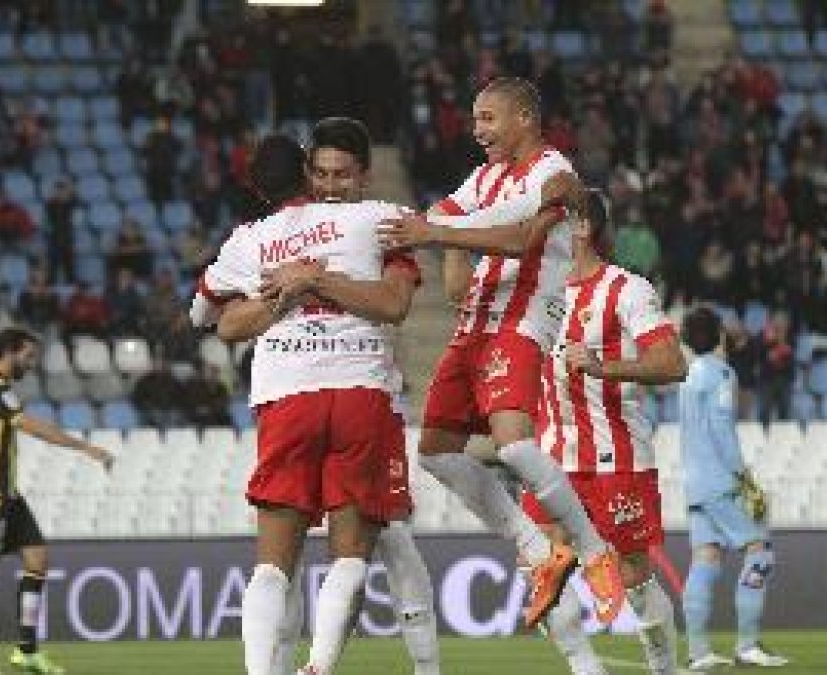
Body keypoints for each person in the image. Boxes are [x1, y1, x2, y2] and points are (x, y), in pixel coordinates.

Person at [379, 76, 626, 628]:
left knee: (514, 448)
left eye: (488, 118)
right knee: (436, 452)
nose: (478, 130)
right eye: (475, 118)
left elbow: (518, 240)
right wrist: (429, 233)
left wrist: (439, 235)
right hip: (473, 324)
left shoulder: (556, 174)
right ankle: (539, 551)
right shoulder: (486, 177)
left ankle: (593, 551)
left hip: (521, 320)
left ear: (524, 119)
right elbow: (441, 217)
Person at [190, 133, 417, 675]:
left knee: (272, 566)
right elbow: (418, 245)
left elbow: (205, 316)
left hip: (286, 391)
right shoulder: (372, 218)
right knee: (350, 554)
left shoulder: (247, 241)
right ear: (310, 173)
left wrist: (278, 292)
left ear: (254, 185)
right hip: (361, 387)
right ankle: (317, 668)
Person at [529, 190, 686, 675]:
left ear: (580, 227)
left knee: (634, 576)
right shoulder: (534, 294)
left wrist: (602, 366)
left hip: (616, 458)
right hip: (551, 458)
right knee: (544, 571)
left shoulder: (627, 289)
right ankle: (585, 668)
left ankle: (663, 668)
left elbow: (671, 364)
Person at [0, 328, 113, 675]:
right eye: (28, 356)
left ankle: (26, 650)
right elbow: (34, 428)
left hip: (7, 494)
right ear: (9, 351)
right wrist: (85, 448)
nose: (31, 363)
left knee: (37, 557)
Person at [678, 308, 788, 670]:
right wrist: (745, 479)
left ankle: (698, 652)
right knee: (760, 552)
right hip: (722, 481)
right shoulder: (722, 374)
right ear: (720, 336)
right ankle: (748, 645)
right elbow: (722, 432)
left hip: (695, 483)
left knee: (705, 558)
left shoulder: (688, 376)